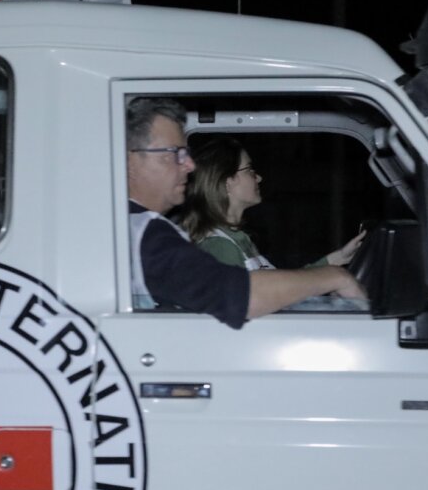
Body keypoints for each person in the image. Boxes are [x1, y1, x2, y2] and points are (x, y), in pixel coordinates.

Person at [127, 97, 364, 329]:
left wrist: (333, 262)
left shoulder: (139, 227)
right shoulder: (143, 234)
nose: (189, 165)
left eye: (186, 153)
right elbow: (237, 296)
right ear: (130, 160)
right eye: (174, 153)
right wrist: (334, 276)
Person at [181, 134, 365, 271]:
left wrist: (337, 258)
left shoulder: (238, 239)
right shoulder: (220, 247)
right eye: (249, 170)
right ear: (228, 182)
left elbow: (281, 286)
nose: (258, 178)